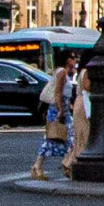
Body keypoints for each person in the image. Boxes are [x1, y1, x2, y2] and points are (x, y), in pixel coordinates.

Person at [31, 52, 77, 180]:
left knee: (58, 137)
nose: (75, 60)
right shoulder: (62, 72)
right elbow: (58, 92)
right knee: (67, 136)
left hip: (61, 107)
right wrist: (61, 110)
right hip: (59, 108)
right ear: (67, 60)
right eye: (73, 58)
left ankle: (40, 165)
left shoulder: (60, 71)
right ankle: (66, 165)